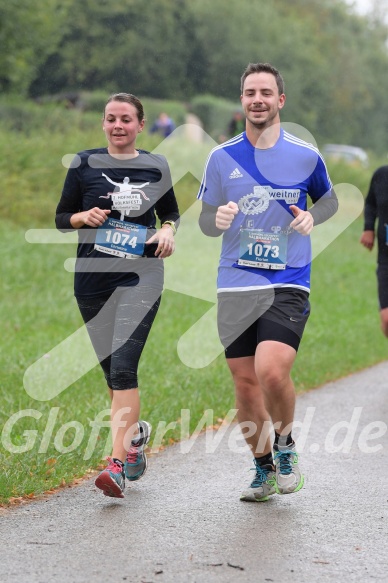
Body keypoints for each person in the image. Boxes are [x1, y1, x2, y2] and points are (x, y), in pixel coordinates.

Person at [198, 62, 338, 502]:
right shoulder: (221, 157)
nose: (257, 99)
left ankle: (286, 446)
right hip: (235, 282)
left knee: (271, 371)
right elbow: (204, 219)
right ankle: (262, 470)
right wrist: (214, 218)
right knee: (244, 384)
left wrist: (314, 215)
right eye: (249, 92)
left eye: (265, 92)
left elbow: (330, 200)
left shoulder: (305, 155)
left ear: (280, 100)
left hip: (288, 279)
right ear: (242, 101)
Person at [56, 92, 179, 498]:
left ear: (141, 125)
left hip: (141, 276)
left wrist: (167, 231)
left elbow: (171, 213)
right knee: (113, 376)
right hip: (92, 280)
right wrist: (82, 217)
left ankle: (116, 465)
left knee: (125, 369)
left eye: (126, 119)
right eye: (111, 119)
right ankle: (135, 438)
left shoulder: (156, 165)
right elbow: (61, 218)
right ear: (103, 123)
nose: (118, 126)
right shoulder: (83, 163)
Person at [360, 165, 388, 337]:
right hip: (386, 259)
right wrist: (368, 228)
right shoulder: (382, 175)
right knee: (386, 318)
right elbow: (370, 202)